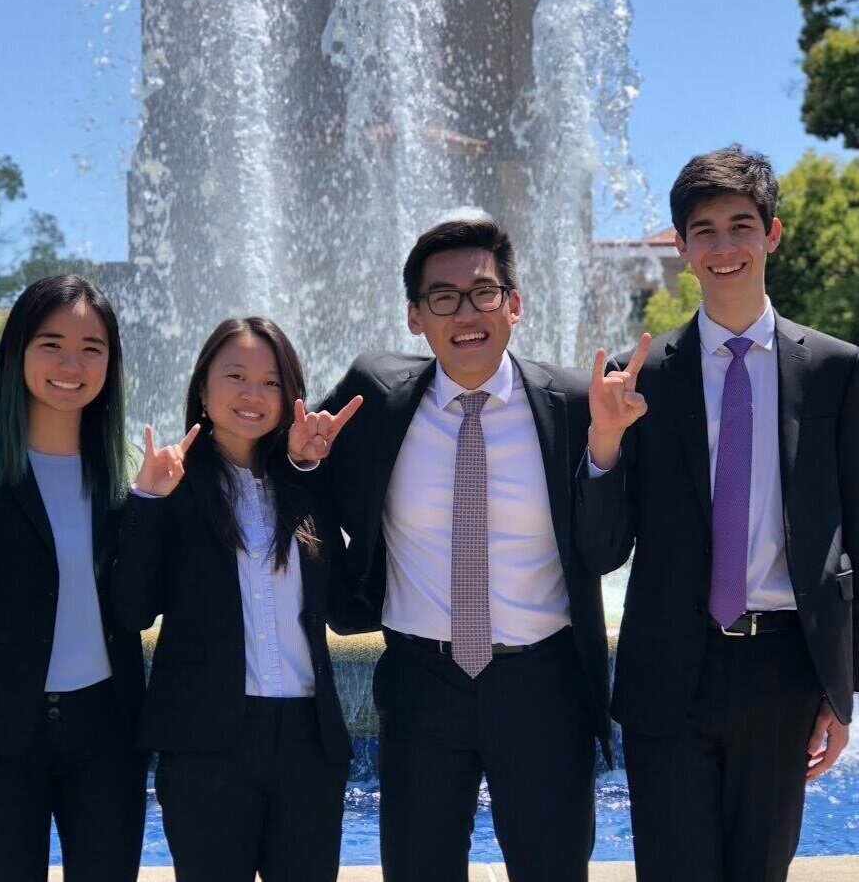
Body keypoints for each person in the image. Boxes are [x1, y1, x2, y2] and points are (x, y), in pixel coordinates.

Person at [288, 218, 613, 882]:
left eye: (483, 292)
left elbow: (607, 544)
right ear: (415, 316)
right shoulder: (374, 394)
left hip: (542, 686)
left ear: (513, 305)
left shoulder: (575, 403)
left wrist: (609, 449)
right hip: (420, 684)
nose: (465, 312)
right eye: (442, 297)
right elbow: (295, 469)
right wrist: (300, 460)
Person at [579, 145, 858, 881]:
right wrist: (604, 443)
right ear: (680, 246)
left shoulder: (835, 369)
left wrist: (841, 687)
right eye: (702, 229)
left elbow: (850, 535)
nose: (722, 245)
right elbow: (601, 547)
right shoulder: (642, 381)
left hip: (783, 669)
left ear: (771, 234)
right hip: (669, 668)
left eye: (740, 224)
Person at [111, 317, 362, 882]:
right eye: (236, 376)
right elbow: (131, 610)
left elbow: (349, 610)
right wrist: (146, 503)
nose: (254, 395)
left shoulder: (304, 484)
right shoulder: (168, 484)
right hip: (205, 744)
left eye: (272, 382)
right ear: (203, 388)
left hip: (308, 741)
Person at [0, 275, 147, 882]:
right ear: (17, 351)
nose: (72, 364)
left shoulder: (129, 476)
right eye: (51, 343)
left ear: (111, 363)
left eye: (92, 347)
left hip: (107, 735)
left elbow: (140, 605)